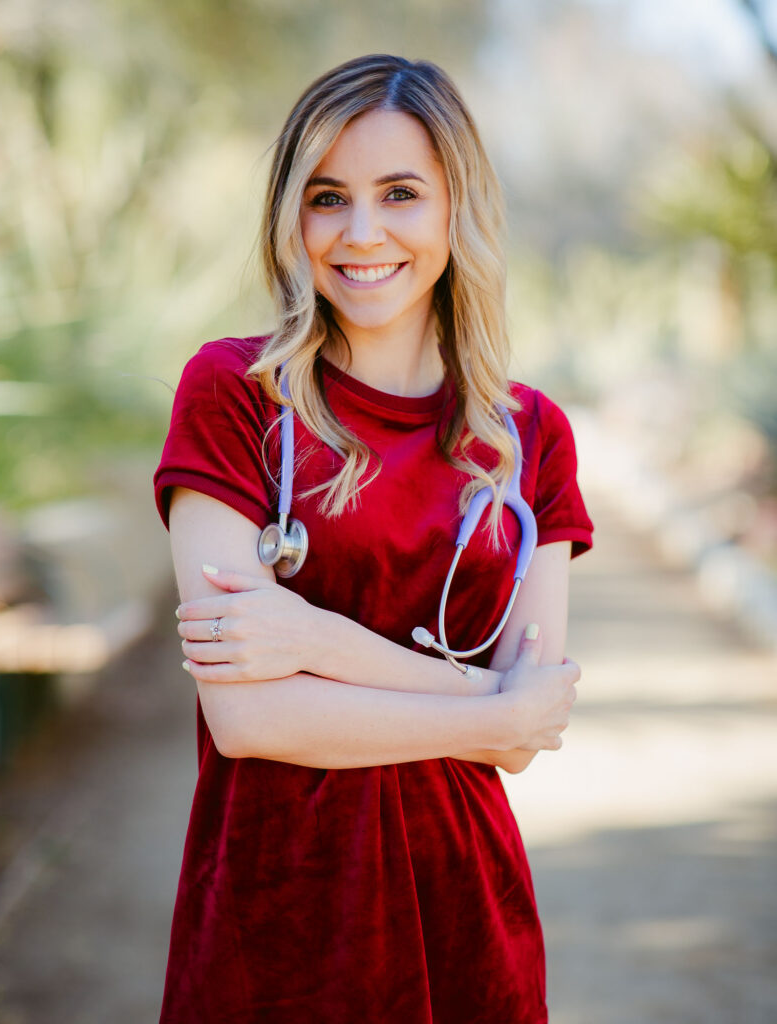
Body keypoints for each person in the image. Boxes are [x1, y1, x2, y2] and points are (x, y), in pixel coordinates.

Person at [153, 53, 594, 1024]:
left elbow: (527, 739)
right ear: (290, 216)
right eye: (325, 197)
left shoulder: (527, 438)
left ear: (454, 207)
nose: (360, 234)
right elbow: (251, 720)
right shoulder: (235, 397)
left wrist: (312, 643)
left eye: (398, 193)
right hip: (276, 928)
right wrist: (485, 701)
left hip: (467, 918)